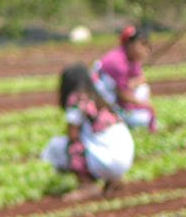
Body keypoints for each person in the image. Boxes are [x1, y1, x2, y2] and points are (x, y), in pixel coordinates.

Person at [41, 63, 135, 200]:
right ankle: (114, 179)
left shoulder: (77, 99)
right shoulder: (98, 94)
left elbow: (72, 134)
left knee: (62, 146)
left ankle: (87, 185)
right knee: (92, 138)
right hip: (125, 155)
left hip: (107, 161)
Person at [93, 24, 157, 130]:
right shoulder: (118, 63)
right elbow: (122, 95)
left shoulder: (132, 58)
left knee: (143, 89)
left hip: (116, 97)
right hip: (102, 101)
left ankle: (123, 117)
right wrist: (147, 106)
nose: (145, 49)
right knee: (143, 119)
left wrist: (132, 83)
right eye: (142, 45)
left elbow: (142, 78)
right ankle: (117, 119)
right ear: (129, 45)